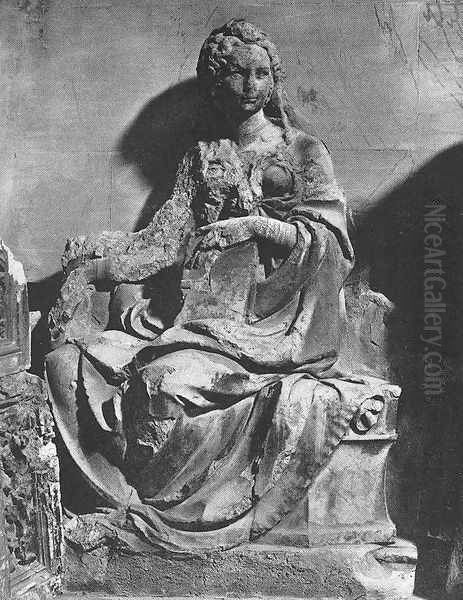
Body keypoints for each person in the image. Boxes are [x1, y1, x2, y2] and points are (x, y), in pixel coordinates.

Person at [46, 19, 391, 553]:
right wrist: (92, 268)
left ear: (274, 80)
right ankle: (116, 503)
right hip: (198, 312)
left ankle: (166, 517)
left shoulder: (302, 151)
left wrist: (255, 228)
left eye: (261, 74)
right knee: (66, 363)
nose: (251, 85)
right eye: (237, 74)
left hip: (273, 323)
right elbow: (162, 242)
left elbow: (331, 240)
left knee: (163, 382)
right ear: (215, 81)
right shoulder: (202, 156)